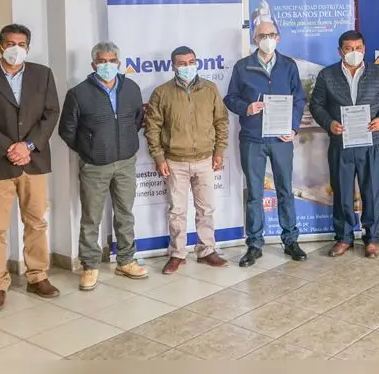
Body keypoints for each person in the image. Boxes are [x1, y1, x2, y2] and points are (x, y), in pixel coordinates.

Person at [0, 24, 61, 311]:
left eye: (21, 44)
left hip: (34, 161)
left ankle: (37, 276)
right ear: (0, 46)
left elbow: (51, 113)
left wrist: (27, 146)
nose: (15, 49)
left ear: (28, 47)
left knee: (36, 222)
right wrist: (10, 148)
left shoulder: (42, 74)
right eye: (10, 43)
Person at [59, 41, 149, 291]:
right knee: (91, 218)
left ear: (119, 63)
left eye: (111, 61)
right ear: (93, 64)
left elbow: (137, 120)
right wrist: (89, 149)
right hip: (94, 166)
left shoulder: (131, 88)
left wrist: (124, 143)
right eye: (102, 61)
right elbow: (67, 130)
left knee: (125, 214)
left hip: (126, 162)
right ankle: (90, 266)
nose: (107, 65)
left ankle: (126, 260)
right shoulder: (78, 93)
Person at [225, 21, 308, 267]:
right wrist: (246, 107)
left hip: (281, 138)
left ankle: (290, 240)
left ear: (278, 38)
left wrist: (293, 127)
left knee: (285, 190)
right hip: (253, 138)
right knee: (255, 193)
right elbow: (230, 98)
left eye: (271, 34)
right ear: (254, 39)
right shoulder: (243, 67)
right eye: (262, 35)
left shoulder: (289, 65)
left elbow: (299, 99)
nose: (267, 39)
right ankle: (254, 244)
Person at [144, 46, 229, 275]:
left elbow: (221, 121)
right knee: (177, 211)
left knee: (206, 209)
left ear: (196, 62)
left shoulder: (210, 89)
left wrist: (219, 151)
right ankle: (177, 254)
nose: (187, 67)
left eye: (191, 62)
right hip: (175, 161)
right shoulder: (162, 93)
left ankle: (206, 250)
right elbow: (152, 128)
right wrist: (159, 157)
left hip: (205, 159)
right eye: (182, 63)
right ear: (173, 66)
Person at [309, 30, 379, 259]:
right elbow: (316, 105)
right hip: (341, 144)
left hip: (371, 143)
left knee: (372, 193)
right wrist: (329, 123)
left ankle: (372, 239)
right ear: (340, 51)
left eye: (358, 48)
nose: (354, 52)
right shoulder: (327, 75)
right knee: (342, 192)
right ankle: (344, 237)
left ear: (364, 49)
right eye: (348, 48)